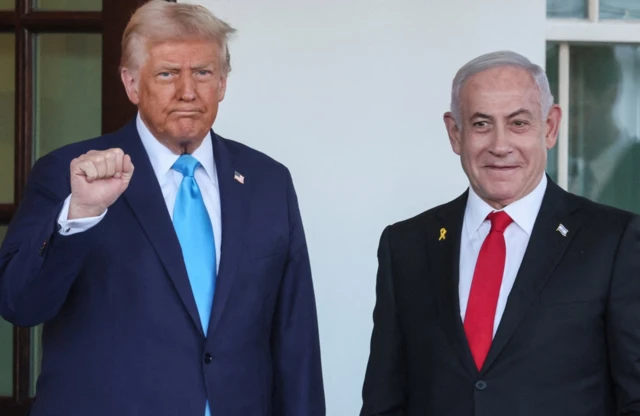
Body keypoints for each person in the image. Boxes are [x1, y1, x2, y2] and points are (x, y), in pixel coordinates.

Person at [0, 1, 325, 415]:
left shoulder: (268, 182)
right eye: (167, 73)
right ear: (132, 84)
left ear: (222, 83)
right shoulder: (68, 174)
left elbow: (296, 336)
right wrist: (79, 213)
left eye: (203, 73)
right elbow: (20, 304)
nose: (188, 91)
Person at [360, 50, 640, 416]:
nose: (500, 145)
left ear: (550, 127)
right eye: (480, 124)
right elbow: (385, 401)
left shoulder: (615, 241)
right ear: (454, 133)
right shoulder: (407, 245)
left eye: (519, 123)